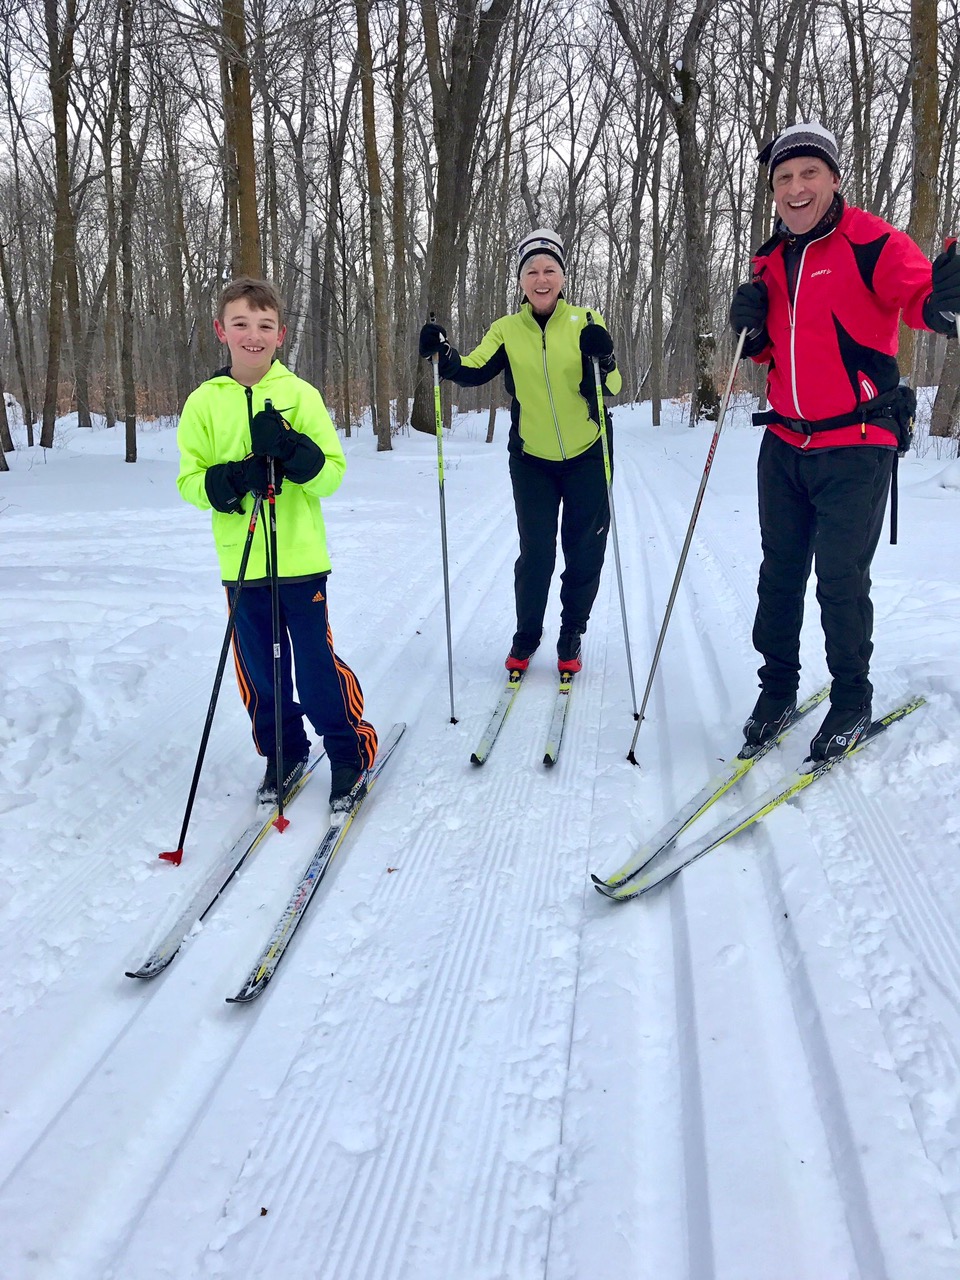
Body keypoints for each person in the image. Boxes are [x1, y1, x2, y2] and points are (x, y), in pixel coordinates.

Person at [730, 122, 960, 761]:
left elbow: (921, 301)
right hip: (784, 443)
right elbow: (772, 352)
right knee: (778, 576)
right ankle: (776, 689)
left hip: (857, 443)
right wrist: (749, 329)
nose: (796, 188)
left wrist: (945, 302)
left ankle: (852, 700)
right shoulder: (770, 260)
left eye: (809, 174)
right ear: (773, 190)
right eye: (784, 178)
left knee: (838, 575)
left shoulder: (873, 241)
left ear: (833, 179)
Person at [176, 277, 377, 813]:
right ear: (222, 331)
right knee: (262, 674)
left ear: (281, 334)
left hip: (300, 561)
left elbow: (331, 475)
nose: (253, 335)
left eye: (264, 325)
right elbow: (189, 482)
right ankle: (284, 753)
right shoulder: (204, 402)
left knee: (314, 671)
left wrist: (290, 448)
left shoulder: (299, 395)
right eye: (240, 324)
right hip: (240, 566)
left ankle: (348, 752)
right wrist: (233, 479)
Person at [418, 228, 622, 674]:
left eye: (550, 268)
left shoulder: (587, 320)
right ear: (521, 280)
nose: (541, 277)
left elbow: (614, 386)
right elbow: (472, 369)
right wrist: (443, 354)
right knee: (537, 554)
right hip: (532, 460)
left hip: (588, 454)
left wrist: (604, 360)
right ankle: (527, 635)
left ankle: (572, 633)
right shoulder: (507, 330)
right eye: (532, 270)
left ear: (563, 275)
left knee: (584, 551)